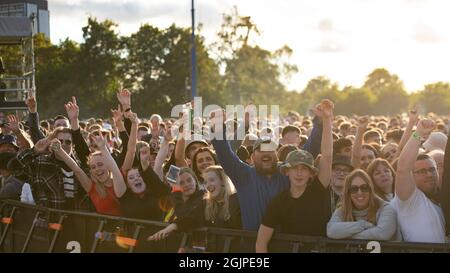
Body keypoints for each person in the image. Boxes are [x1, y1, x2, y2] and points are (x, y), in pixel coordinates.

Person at [211, 100, 325, 231]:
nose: (266, 154)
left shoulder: (288, 172)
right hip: (252, 244)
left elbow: (310, 151)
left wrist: (320, 122)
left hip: (288, 245)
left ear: (276, 154)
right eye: (261, 150)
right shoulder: (243, 175)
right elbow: (224, 153)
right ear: (252, 157)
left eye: (270, 149)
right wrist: (218, 127)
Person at [255, 100, 333, 253]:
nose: (299, 173)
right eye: (295, 168)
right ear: (286, 171)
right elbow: (261, 242)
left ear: (311, 173)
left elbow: (327, 156)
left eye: (304, 169)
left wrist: (327, 120)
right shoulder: (278, 202)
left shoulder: (319, 189)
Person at [391, 118, 446, 243]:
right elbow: (403, 169)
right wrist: (418, 133)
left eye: (432, 169)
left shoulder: (441, 199)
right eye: (421, 171)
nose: (429, 174)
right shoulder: (409, 199)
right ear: (411, 176)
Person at [51, 133, 126, 216]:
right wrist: (60, 151)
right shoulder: (92, 187)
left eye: (100, 164)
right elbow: (77, 170)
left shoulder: (119, 182)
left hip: (126, 228)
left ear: (108, 165)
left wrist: (103, 148)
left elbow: (115, 169)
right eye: (93, 167)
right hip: (103, 228)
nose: (97, 169)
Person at [327, 169, 398, 241]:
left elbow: (383, 234)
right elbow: (331, 230)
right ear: (348, 192)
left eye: (364, 187)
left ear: (371, 190)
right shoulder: (343, 210)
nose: (359, 192)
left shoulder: (385, 208)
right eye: (354, 189)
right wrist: (363, 225)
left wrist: (344, 235)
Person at [147, 167, 205, 240]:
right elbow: (155, 183)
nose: (186, 184)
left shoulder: (202, 198)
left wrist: (173, 226)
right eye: (181, 183)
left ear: (195, 181)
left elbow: (185, 216)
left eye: (189, 180)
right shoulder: (172, 199)